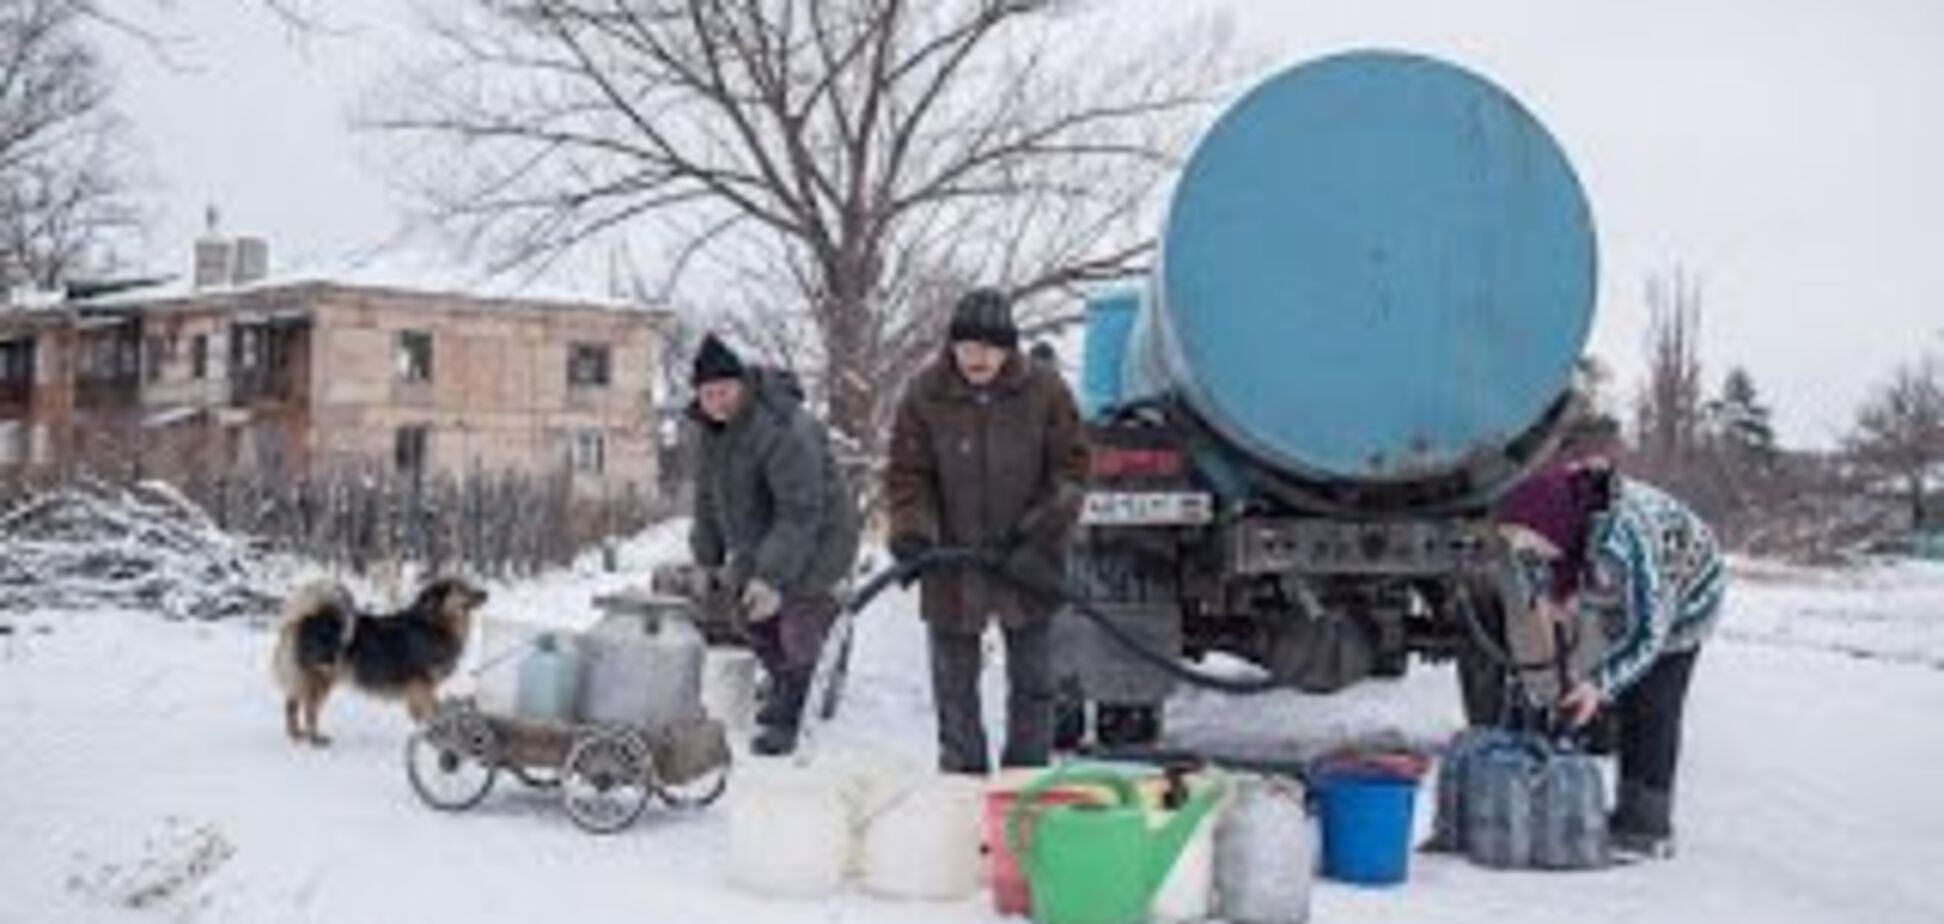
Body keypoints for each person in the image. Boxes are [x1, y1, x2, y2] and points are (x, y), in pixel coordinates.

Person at [885, 288, 1089, 775]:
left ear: (1009, 349)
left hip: (1028, 560)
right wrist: (914, 533)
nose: (979, 358)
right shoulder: (924, 394)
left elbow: (1072, 471)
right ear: (952, 346)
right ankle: (963, 783)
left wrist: (1038, 535)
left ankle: (1024, 782)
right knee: (955, 686)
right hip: (952, 565)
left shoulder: (1045, 392)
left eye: (991, 348)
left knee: (1034, 682)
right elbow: (907, 475)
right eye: (968, 346)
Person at [1494, 456, 1725, 858]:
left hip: (1687, 590)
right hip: (1617, 585)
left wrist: (1598, 686)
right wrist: (1551, 603)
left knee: (1652, 700)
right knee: (1593, 670)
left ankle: (1646, 825)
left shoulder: (1627, 536)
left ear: (1550, 527)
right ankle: (1575, 791)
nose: (1521, 548)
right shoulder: (1558, 524)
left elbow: (1650, 632)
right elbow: (1534, 570)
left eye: (1527, 540)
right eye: (1514, 541)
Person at [687, 333, 861, 756]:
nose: (717, 401)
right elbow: (708, 499)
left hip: (821, 535)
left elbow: (800, 510)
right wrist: (706, 561)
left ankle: (792, 713)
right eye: (708, 394)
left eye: (724, 390)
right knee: (745, 612)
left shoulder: (783, 427)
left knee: (797, 616)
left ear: (742, 385)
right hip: (763, 538)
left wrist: (770, 577)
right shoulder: (713, 433)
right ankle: (785, 682)